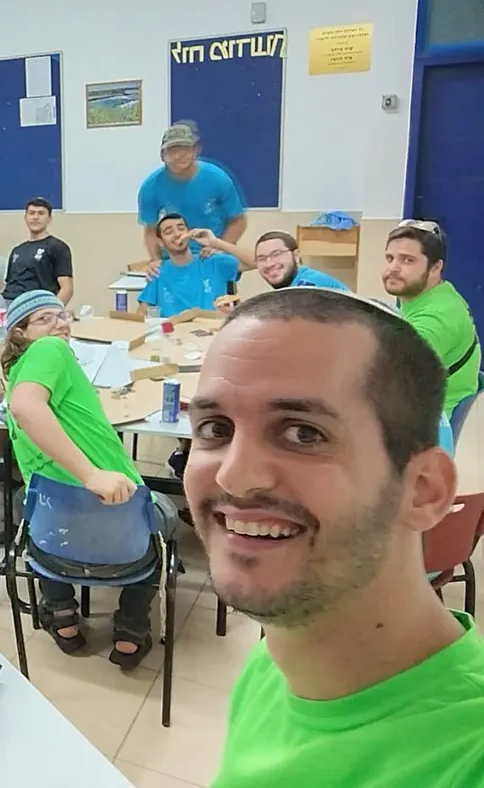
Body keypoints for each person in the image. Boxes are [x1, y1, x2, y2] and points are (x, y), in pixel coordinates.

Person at [184, 288, 484, 787]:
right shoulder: (275, 658)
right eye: (215, 428)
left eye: (303, 433)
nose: (233, 476)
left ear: (423, 490)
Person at [2, 290, 177, 667]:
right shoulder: (50, 349)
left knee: (32, 507)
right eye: (45, 318)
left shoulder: (17, 373)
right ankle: (131, 630)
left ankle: (62, 616)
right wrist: (91, 474)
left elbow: (23, 404)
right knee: (162, 512)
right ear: (19, 332)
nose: (60, 324)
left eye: (62, 315)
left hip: (54, 548)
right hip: (124, 548)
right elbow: (26, 406)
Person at [383, 220, 480, 416]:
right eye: (390, 258)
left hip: (431, 424)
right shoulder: (436, 293)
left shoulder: (437, 316)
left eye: (407, 260)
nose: (393, 268)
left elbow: (387, 377)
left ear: (436, 268)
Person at [138, 121, 246, 277]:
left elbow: (238, 221)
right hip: (174, 260)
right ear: (162, 155)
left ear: (196, 151)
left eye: (186, 149)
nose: (179, 155)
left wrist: (220, 247)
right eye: (173, 150)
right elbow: (150, 230)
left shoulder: (218, 179)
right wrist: (155, 260)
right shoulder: (151, 187)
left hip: (211, 256)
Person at [137, 214, 243, 317]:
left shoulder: (211, 261)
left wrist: (216, 243)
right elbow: (141, 312)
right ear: (160, 242)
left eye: (181, 229)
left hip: (212, 326)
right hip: (173, 327)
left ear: (189, 233)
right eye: (169, 232)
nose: (177, 234)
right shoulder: (157, 272)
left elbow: (252, 261)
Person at [194, 229, 348, 300]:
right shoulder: (292, 284)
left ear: (296, 256)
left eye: (276, 254)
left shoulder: (308, 285)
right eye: (262, 258)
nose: (269, 263)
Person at [1, 197, 73, 304]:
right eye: (31, 213)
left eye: (41, 213)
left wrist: (53, 309)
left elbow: (67, 289)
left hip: (36, 303)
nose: (35, 217)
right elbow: (9, 284)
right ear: (25, 217)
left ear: (49, 218)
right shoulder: (17, 250)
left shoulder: (57, 247)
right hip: (9, 301)